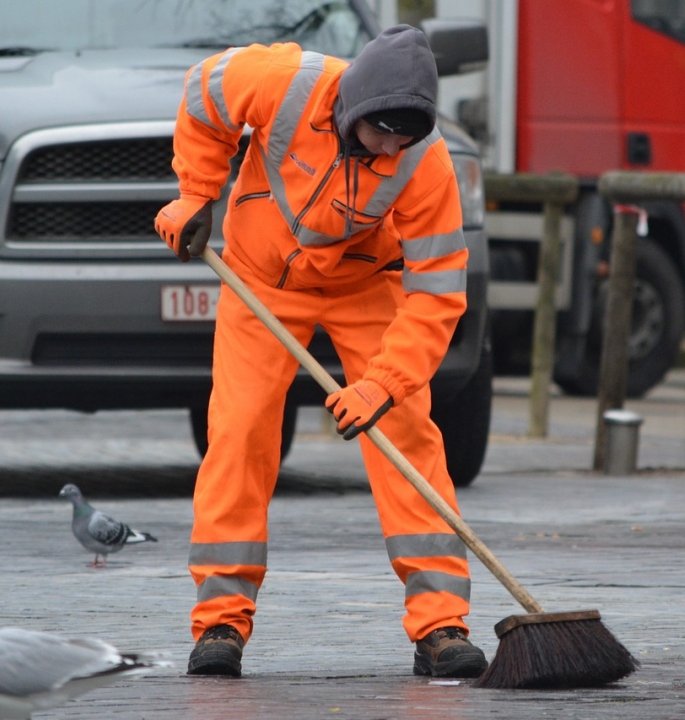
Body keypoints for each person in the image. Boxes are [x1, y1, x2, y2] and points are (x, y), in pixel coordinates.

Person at [155, 24, 487, 680]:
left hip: (367, 284)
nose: (392, 147)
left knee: (406, 432)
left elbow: (438, 294)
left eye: (405, 136)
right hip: (260, 280)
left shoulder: (426, 162)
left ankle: (441, 623)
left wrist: (384, 383)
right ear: (354, 106)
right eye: (382, 133)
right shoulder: (281, 81)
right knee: (241, 430)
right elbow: (202, 95)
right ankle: (221, 620)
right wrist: (197, 192)